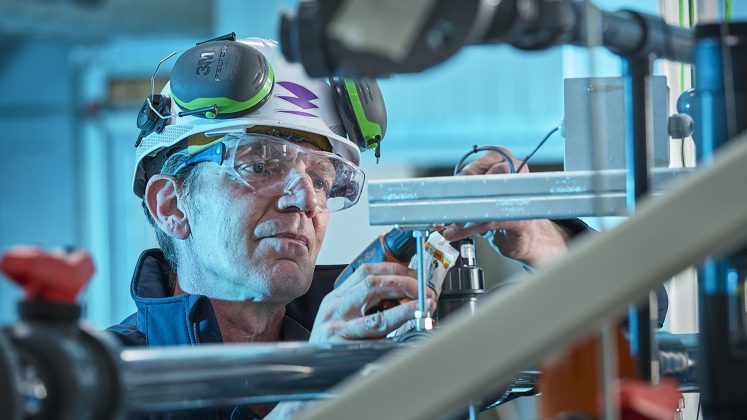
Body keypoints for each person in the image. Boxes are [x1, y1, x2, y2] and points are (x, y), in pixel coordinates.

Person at [107, 37, 583, 419]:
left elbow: (618, 338)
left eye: (321, 178)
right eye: (260, 164)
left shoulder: (372, 320)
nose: (306, 199)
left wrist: (542, 240)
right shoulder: (99, 379)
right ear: (172, 206)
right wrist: (312, 399)